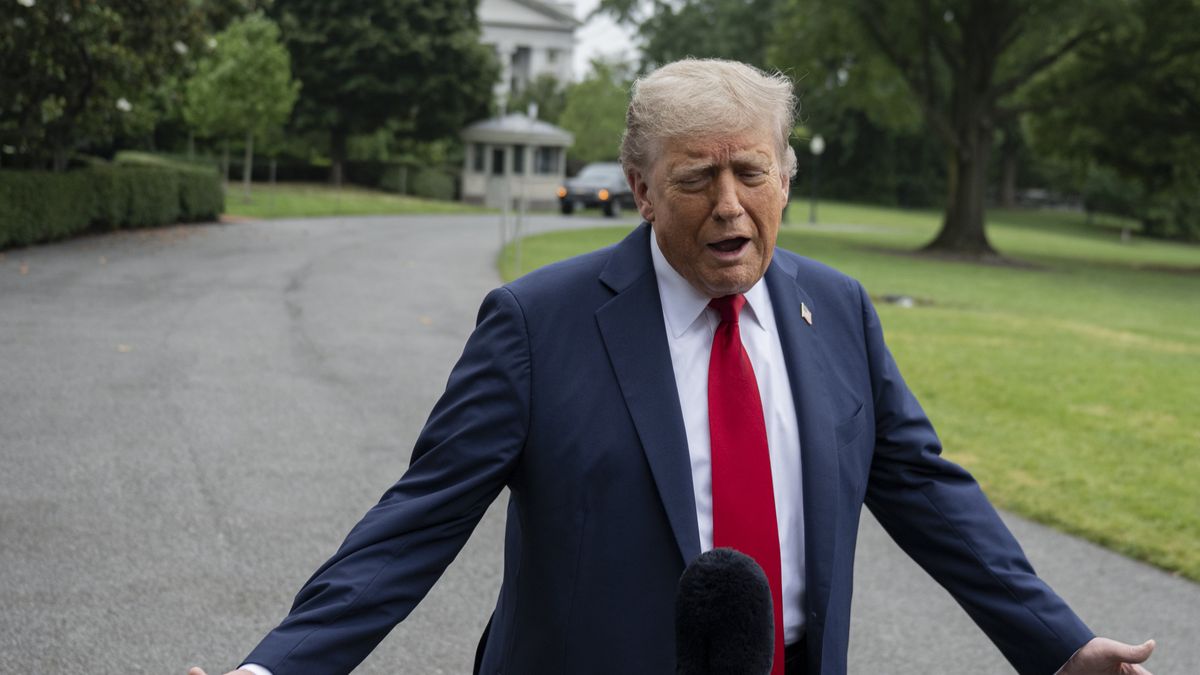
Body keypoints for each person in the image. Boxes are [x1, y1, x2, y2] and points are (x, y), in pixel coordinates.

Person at [190, 59, 1155, 675]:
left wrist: (1060, 643)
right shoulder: (537, 323)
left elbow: (928, 493)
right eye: (696, 179)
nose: (730, 207)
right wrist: (274, 669)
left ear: (788, 176)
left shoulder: (840, 311)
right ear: (642, 190)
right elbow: (416, 519)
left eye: (752, 173)